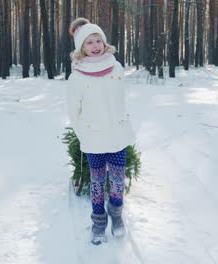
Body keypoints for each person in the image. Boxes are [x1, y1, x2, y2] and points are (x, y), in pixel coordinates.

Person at [66, 18, 135, 245]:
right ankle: (98, 223)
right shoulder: (76, 77)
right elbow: (73, 112)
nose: (95, 45)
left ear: (104, 43)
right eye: (89, 43)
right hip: (94, 139)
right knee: (96, 183)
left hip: (117, 137)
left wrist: (123, 122)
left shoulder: (116, 68)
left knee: (116, 181)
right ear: (80, 49)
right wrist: (83, 135)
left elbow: (120, 102)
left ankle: (116, 216)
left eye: (98, 40)